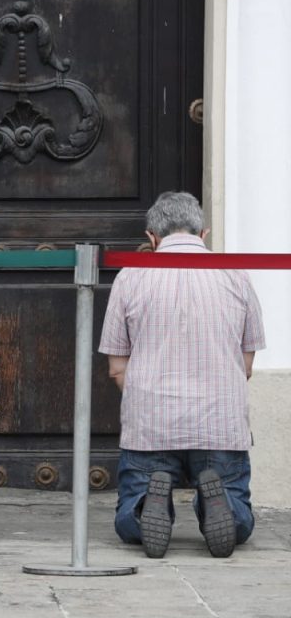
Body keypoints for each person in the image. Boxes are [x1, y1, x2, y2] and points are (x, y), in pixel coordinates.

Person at [99, 191, 265, 559]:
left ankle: (146, 506)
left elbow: (116, 367)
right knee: (241, 520)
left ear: (151, 238)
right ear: (203, 234)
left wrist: (146, 396)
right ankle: (221, 507)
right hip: (221, 423)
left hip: (150, 424)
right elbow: (247, 364)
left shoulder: (131, 275)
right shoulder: (236, 273)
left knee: (127, 522)